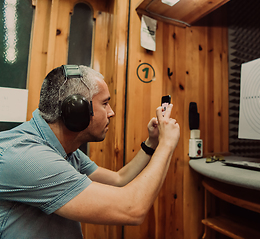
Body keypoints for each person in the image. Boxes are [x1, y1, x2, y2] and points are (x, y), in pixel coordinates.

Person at [0, 65, 180, 238]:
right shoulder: (26, 156)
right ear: (77, 111)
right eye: (105, 103)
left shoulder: (64, 150)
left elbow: (119, 180)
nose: (111, 112)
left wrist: (153, 142)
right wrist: (167, 144)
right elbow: (132, 209)